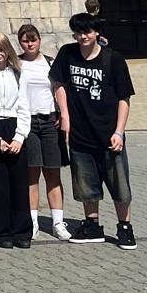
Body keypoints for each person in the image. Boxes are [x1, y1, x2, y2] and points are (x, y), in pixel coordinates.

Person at [51, 13, 135, 248]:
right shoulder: (68, 53)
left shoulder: (113, 59)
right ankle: (92, 225)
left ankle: (125, 227)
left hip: (109, 134)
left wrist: (119, 131)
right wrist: (65, 115)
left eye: (87, 32)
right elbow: (58, 83)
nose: (82, 37)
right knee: (85, 185)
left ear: (96, 32)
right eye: (78, 33)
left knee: (120, 185)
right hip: (80, 133)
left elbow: (124, 98)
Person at [16, 23, 72, 242]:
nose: (30, 44)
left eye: (33, 40)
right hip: (28, 122)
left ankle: (58, 222)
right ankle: (33, 223)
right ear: (20, 43)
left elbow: (59, 89)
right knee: (32, 174)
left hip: (49, 121)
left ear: (39, 40)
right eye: (25, 40)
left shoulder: (50, 62)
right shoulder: (17, 64)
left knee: (52, 173)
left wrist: (62, 113)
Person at [0, 33, 33, 249]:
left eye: (0, 49)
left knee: (19, 183)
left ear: (8, 50)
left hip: (14, 126)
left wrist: (19, 137)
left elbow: (24, 106)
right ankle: (0, 232)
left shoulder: (18, 73)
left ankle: (21, 231)